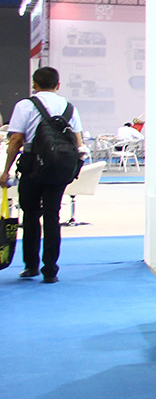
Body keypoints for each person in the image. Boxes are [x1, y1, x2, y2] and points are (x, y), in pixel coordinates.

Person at [2, 66, 84, 283]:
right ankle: (51, 270)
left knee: (30, 215)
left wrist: (6, 170)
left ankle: (31, 266)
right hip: (58, 168)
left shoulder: (25, 105)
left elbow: (16, 140)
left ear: (34, 84)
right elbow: (78, 142)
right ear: (58, 85)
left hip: (32, 166)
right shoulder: (69, 107)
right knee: (52, 215)